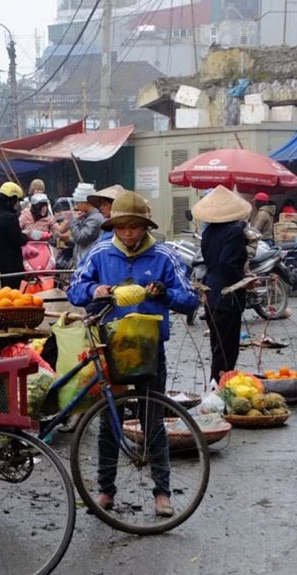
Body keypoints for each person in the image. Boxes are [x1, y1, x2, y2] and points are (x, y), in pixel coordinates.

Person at [66, 190, 198, 517]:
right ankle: (105, 490)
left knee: (153, 420)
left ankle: (162, 492)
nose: (127, 233)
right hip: (111, 348)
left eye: (134, 227)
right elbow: (74, 289)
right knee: (110, 420)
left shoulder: (164, 257)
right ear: (113, 227)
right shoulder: (99, 254)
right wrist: (94, 291)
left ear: (145, 227)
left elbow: (190, 299)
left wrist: (166, 294)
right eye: (122, 227)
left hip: (150, 348)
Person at [191, 186, 250, 383]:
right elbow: (227, 264)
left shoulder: (209, 232)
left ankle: (215, 385)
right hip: (227, 295)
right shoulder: (234, 232)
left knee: (218, 346)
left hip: (211, 292)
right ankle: (220, 388)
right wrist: (243, 280)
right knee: (227, 350)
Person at [0, 182, 30, 278]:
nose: (18, 204)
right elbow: (18, 239)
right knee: (11, 293)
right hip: (10, 267)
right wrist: (27, 235)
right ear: (11, 201)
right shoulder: (11, 218)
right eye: (17, 201)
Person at [20, 193, 56, 292]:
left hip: (44, 248)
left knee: (49, 268)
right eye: (41, 206)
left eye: (45, 206)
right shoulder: (25, 215)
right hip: (28, 248)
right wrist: (28, 233)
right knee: (26, 271)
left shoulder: (48, 217)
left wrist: (66, 225)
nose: (44, 209)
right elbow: (17, 230)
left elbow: (57, 230)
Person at [68, 182, 104, 265]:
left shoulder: (95, 219)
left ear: (85, 203)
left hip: (89, 262)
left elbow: (80, 238)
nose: (76, 207)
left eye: (78, 203)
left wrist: (74, 221)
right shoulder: (87, 217)